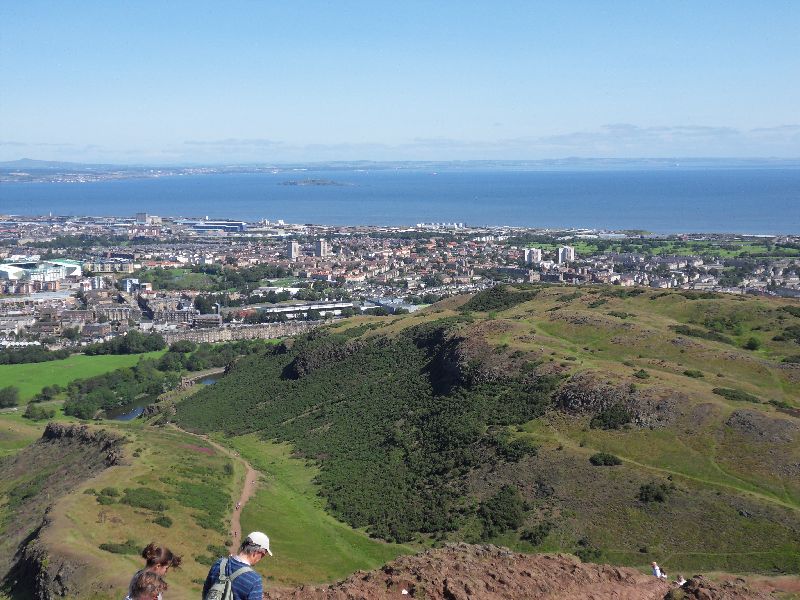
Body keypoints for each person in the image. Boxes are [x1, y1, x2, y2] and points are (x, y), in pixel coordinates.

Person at [202, 531, 272, 600]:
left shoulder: (219, 563)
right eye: (263, 555)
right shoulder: (255, 580)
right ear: (255, 553)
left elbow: (205, 593)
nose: (261, 558)